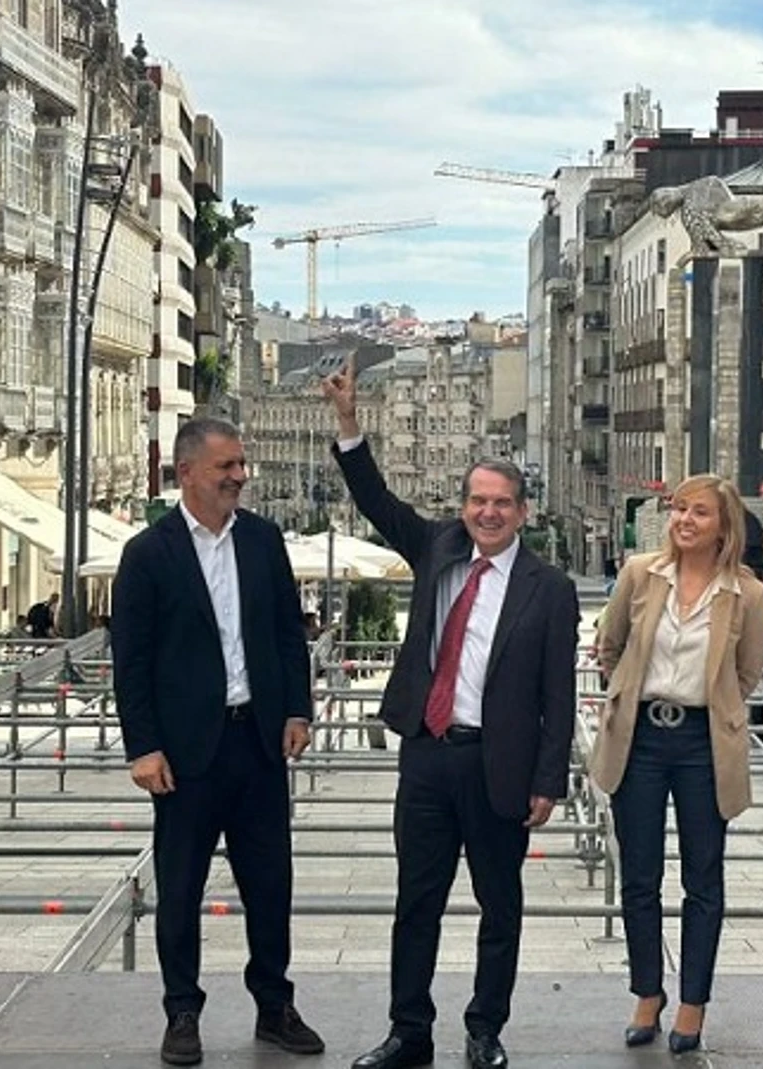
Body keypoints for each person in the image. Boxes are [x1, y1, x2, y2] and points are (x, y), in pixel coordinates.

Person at [322, 357, 578, 1069]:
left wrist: (549, 781)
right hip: (429, 757)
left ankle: (485, 1028)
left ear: (521, 511)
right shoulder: (437, 546)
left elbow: (559, 694)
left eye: (501, 503)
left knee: (500, 909)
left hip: (499, 766)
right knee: (417, 903)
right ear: (462, 505)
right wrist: (348, 421)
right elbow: (375, 499)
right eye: (477, 501)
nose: (487, 513)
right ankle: (409, 1030)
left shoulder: (548, 588)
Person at [110, 418, 326, 1066]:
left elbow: (290, 633)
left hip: (258, 744)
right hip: (184, 754)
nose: (239, 475)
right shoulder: (148, 555)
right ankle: (182, 1010)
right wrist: (142, 747)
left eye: (241, 464)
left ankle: (274, 1005)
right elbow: (132, 661)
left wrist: (297, 708)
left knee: (271, 884)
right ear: (186, 473)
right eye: (225, 466)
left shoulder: (262, 541)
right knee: (179, 888)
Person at [592, 474, 763, 1054]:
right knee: (639, 876)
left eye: (699, 512)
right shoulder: (641, 574)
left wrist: (711, 708)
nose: (684, 520)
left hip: (702, 743)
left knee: (704, 880)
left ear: (724, 526)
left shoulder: (746, 593)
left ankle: (693, 1003)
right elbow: (610, 645)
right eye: (678, 510)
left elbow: (746, 675)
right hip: (640, 737)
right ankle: (648, 991)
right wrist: (626, 693)